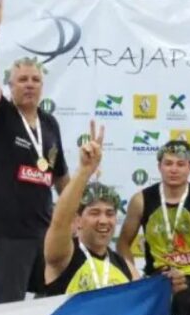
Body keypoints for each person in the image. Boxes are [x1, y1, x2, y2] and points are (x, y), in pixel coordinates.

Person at [0, 0, 70, 303]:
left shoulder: (50, 124)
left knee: (48, 303)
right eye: (22, 80)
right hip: (6, 233)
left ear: (42, 86)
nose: (29, 84)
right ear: (10, 86)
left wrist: (75, 214)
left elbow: (60, 178)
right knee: (4, 309)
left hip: (43, 233)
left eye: (35, 79)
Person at [117, 139, 190, 315]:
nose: (174, 169)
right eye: (168, 163)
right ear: (159, 167)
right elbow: (122, 244)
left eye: (180, 164)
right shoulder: (141, 200)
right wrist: (133, 275)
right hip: (157, 276)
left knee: (189, 300)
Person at [40, 122, 138, 296]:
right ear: (77, 220)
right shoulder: (64, 256)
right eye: (94, 212)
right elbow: (59, 221)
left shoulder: (125, 268)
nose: (103, 220)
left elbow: (142, 301)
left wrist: (167, 285)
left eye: (110, 213)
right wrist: (85, 171)